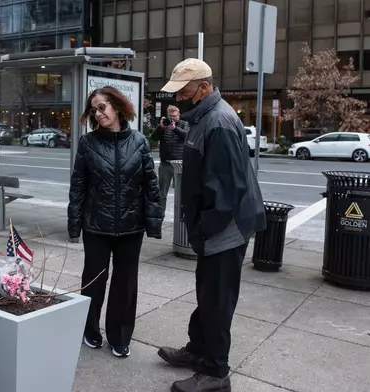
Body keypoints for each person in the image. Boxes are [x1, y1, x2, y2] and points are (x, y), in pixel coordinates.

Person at [156, 58, 266, 392]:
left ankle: (216, 373)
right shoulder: (205, 117)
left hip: (224, 227)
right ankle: (199, 351)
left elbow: (227, 190)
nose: (180, 98)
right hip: (216, 224)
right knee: (208, 291)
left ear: (204, 87)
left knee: (217, 298)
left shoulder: (218, 121)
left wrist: (203, 228)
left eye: (185, 91)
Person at [68, 86, 163, 359]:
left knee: (125, 283)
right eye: (94, 109)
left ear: (117, 107)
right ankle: (90, 329)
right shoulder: (88, 144)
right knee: (94, 280)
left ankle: (120, 336)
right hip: (96, 225)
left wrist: (153, 224)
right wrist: (75, 224)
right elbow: (78, 187)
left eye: (102, 107)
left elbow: (151, 187)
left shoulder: (139, 142)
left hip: (131, 228)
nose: (98, 114)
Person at [150, 105, 189, 214]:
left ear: (179, 114)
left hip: (180, 164)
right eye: (170, 116)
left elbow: (187, 136)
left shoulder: (184, 124)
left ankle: (181, 215)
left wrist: (175, 128)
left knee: (181, 192)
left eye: (174, 116)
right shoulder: (164, 125)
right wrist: (160, 127)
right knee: (162, 192)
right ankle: (160, 215)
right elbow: (153, 138)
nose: (172, 118)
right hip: (165, 163)